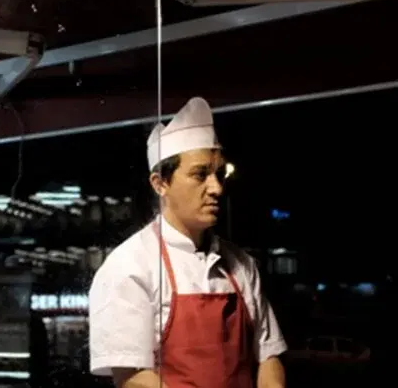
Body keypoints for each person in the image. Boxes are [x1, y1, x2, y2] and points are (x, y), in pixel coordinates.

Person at [88, 97, 288, 388]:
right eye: (200, 174)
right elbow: (133, 378)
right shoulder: (128, 266)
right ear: (160, 184)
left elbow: (268, 357)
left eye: (219, 173)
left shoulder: (242, 265)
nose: (216, 188)